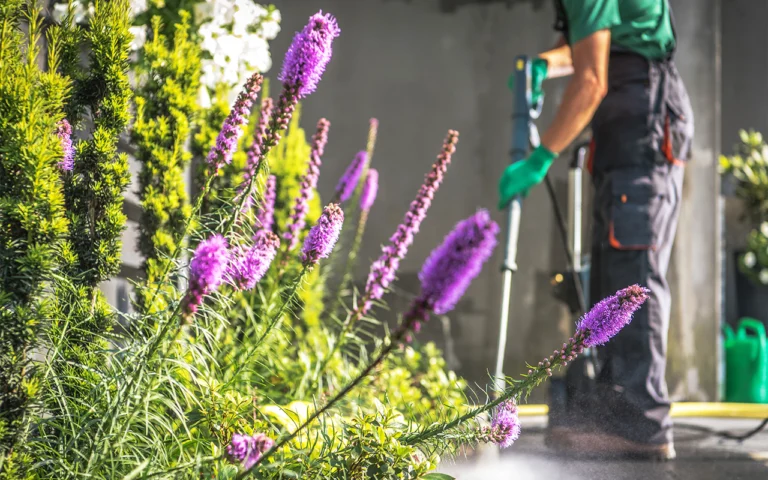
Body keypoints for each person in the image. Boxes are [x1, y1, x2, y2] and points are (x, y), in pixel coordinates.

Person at [498, 0, 694, 460]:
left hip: (643, 119)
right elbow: (589, 47)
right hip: (623, 123)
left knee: (633, 270)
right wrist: (545, 64)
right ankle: (613, 410)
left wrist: (540, 158)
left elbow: (591, 80)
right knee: (609, 270)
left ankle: (643, 421)